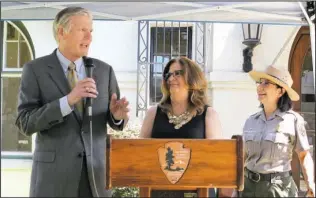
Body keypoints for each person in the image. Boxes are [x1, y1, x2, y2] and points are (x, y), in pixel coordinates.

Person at [15, 7, 129, 197]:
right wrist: (67, 101)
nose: (89, 37)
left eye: (91, 31)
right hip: (54, 179)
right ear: (61, 32)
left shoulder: (104, 71)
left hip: (95, 178)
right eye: (82, 30)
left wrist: (117, 117)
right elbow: (25, 122)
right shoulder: (35, 70)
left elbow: (114, 122)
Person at [140, 57, 222, 197]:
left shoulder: (209, 114)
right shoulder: (153, 113)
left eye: (177, 73)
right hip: (159, 192)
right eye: (168, 74)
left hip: (198, 192)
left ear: (192, 78)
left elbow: (216, 159)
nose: (171, 78)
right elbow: (140, 155)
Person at [241, 65, 315, 197]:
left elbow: (304, 156)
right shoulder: (251, 121)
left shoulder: (293, 120)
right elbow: (242, 157)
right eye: (260, 82)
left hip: (279, 189)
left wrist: (310, 184)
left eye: (266, 83)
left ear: (280, 91)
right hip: (249, 189)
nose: (260, 87)